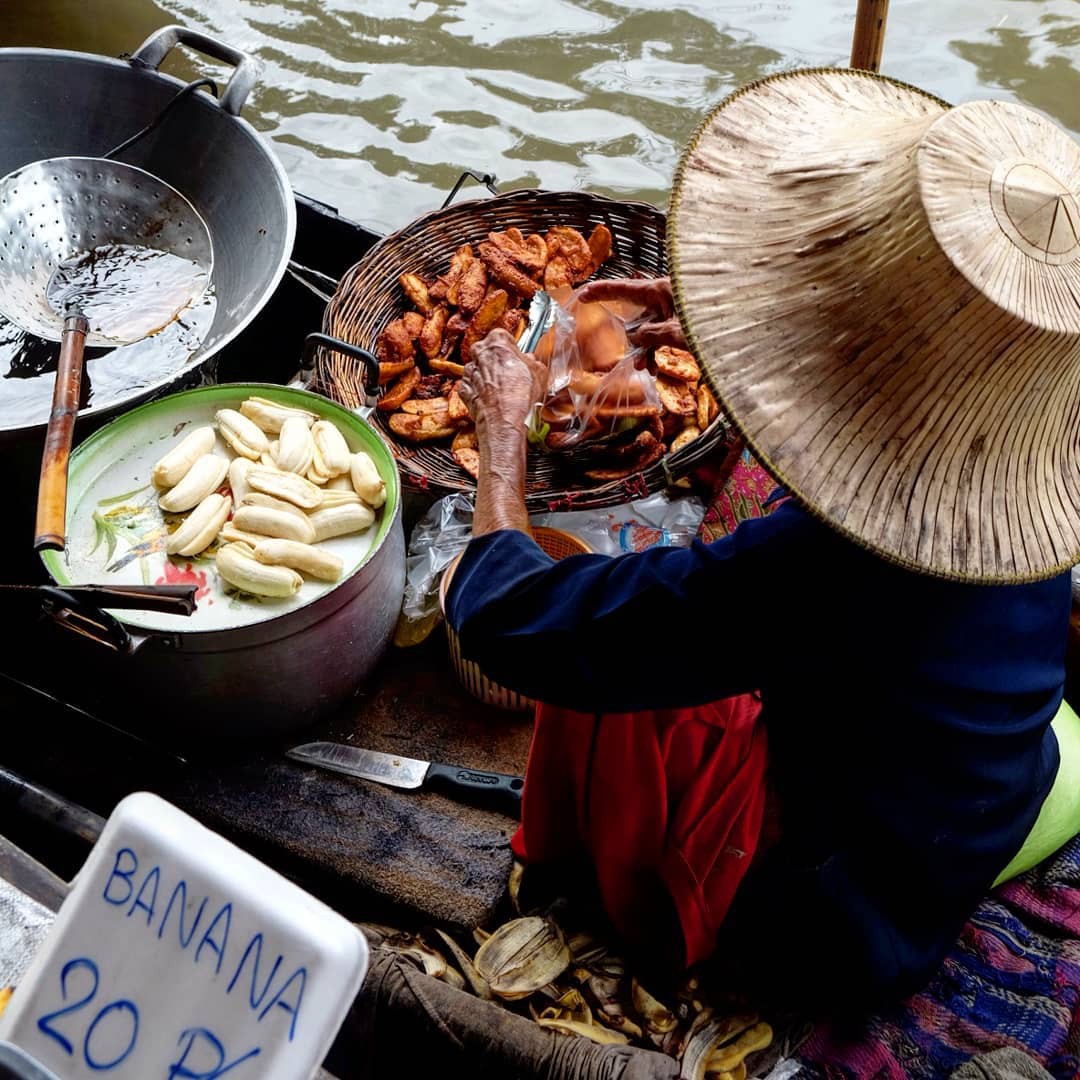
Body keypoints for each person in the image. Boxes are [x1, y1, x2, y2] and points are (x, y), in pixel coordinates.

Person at [445, 68, 1080, 1011]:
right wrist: (701, 317)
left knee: (613, 672)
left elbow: (508, 618)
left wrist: (503, 435)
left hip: (834, 927)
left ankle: (601, 898)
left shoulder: (832, 570)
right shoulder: (1028, 479)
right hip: (994, 794)